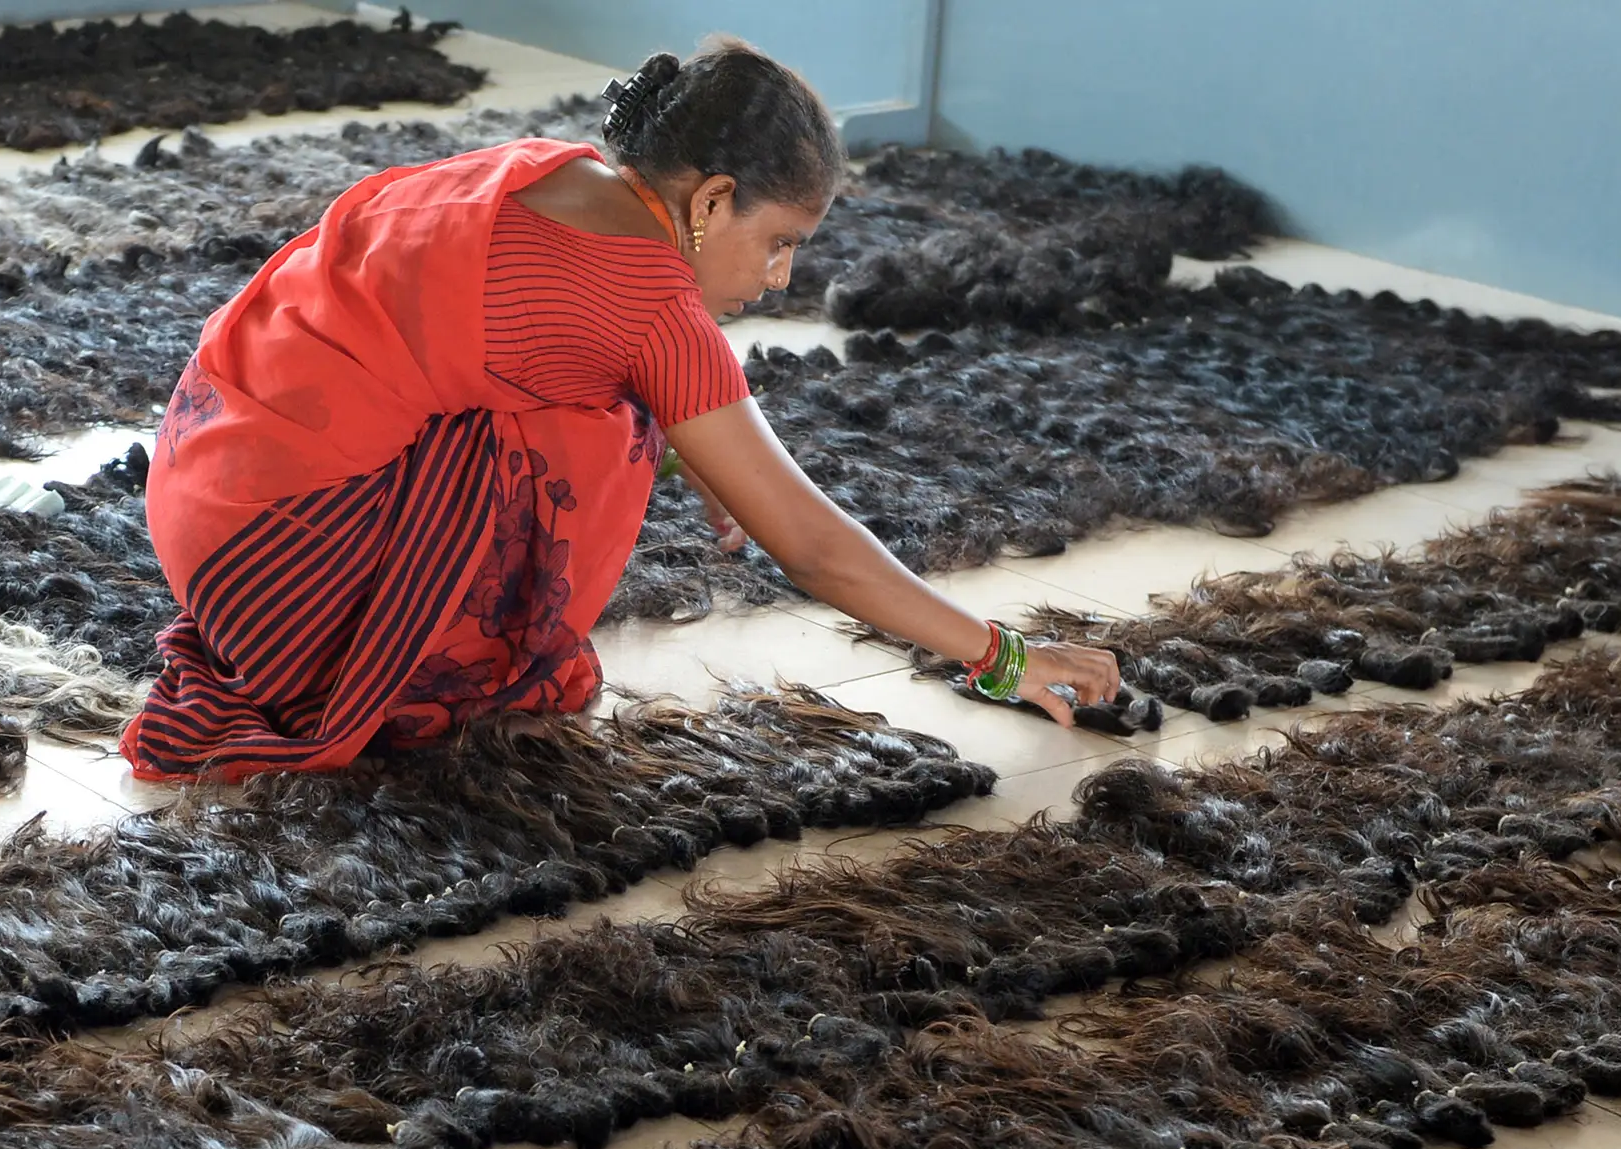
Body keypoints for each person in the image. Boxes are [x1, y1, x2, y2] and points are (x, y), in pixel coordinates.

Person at [121, 36, 1122, 779]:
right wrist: (1001, 657)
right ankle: (413, 668)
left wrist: (697, 453)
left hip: (204, 480)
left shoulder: (538, 168)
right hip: (283, 585)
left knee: (606, 408)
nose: (779, 281)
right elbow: (811, 545)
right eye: (777, 242)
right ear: (708, 200)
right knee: (603, 426)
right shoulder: (648, 311)